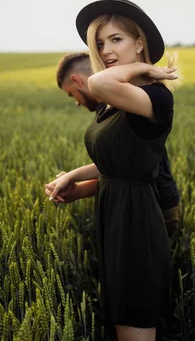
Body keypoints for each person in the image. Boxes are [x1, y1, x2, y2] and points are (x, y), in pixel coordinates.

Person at [47, 0, 179, 341]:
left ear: (140, 43)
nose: (105, 50)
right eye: (100, 43)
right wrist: (74, 179)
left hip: (135, 223)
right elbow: (117, 164)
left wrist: (145, 69)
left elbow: (98, 82)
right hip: (115, 216)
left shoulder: (155, 98)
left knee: (133, 319)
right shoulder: (115, 103)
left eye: (116, 40)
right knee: (120, 319)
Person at [46, 52, 182, 239]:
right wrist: (74, 185)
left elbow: (128, 167)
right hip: (132, 206)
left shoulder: (130, 101)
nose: (77, 103)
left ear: (77, 80)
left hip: (155, 208)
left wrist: (73, 179)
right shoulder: (108, 107)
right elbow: (116, 168)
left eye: (72, 95)